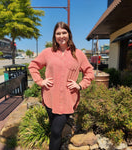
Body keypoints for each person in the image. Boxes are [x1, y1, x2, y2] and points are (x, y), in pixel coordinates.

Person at [28, 21, 94, 150]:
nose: (61, 36)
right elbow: (33, 66)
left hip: (68, 100)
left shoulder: (78, 54)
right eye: (58, 33)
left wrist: (80, 85)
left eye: (64, 32)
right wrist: (41, 81)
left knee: (56, 131)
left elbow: (89, 71)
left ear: (69, 34)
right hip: (50, 98)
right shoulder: (48, 52)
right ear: (54, 36)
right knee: (54, 131)